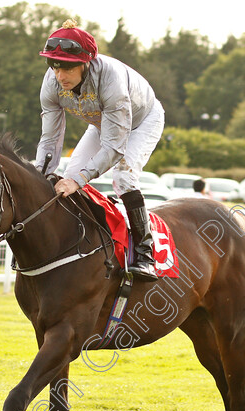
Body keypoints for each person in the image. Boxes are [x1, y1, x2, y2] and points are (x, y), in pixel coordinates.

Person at [35, 19, 164, 282]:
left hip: (143, 120)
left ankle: (145, 253)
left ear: (86, 62)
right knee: (68, 174)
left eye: (68, 67)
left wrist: (79, 180)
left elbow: (115, 148)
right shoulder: (51, 83)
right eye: (54, 65)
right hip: (103, 122)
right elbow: (50, 141)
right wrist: (40, 175)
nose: (60, 75)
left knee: (123, 178)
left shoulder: (111, 81)